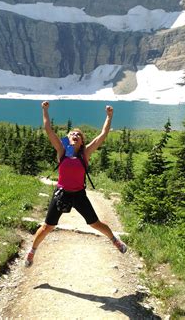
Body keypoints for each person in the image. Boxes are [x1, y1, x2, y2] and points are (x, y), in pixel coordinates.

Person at [25, 101, 127, 267]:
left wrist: (109, 116)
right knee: (47, 227)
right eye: (72, 133)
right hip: (62, 193)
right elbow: (48, 130)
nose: (74, 135)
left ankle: (115, 240)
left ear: (81, 142)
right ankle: (32, 251)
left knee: (95, 223)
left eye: (78, 135)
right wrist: (45, 110)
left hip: (79, 195)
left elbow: (103, 135)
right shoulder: (62, 151)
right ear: (68, 138)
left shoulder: (85, 153)